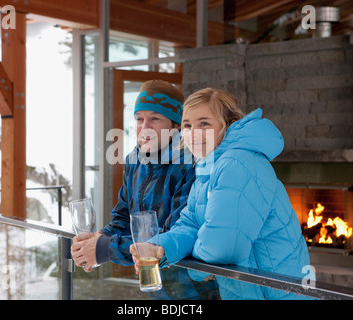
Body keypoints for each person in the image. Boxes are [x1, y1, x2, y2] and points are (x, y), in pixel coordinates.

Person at [131, 87, 315, 300]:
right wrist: (160, 246)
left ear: (227, 125)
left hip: (276, 293)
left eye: (204, 123)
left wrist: (197, 266)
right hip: (247, 290)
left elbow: (223, 248)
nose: (193, 133)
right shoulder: (208, 167)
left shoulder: (237, 162)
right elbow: (191, 224)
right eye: (188, 125)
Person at [71, 80, 219, 300]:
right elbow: (122, 216)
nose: (145, 126)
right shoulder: (134, 160)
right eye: (139, 119)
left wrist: (104, 248)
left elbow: (174, 234)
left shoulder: (193, 164)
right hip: (155, 288)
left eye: (155, 118)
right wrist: (99, 238)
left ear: (177, 125)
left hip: (194, 291)